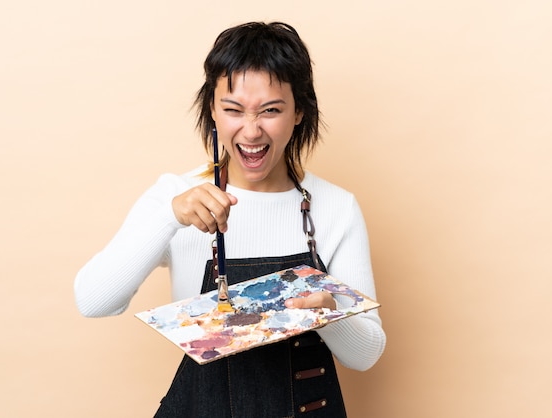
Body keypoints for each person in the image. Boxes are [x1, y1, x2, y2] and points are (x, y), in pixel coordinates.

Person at [75, 21, 386, 417]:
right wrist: (168, 217)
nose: (251, 131)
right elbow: (92, 301)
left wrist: (327, 315)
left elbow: (367, 355)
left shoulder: (335, 207)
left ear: (298, 112)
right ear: (212, 109)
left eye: (270, 110)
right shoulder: (175, 195)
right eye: (233, 110)